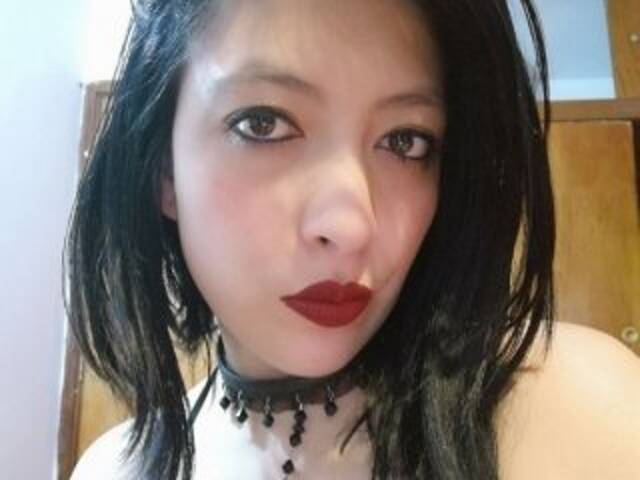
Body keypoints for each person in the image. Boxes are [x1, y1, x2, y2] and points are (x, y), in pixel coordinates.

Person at [65, 0, 640, 478]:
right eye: (263, 123)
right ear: (162, 170)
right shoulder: (114, 470)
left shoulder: (581, 413)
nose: (349, 226)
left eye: (406, 141)